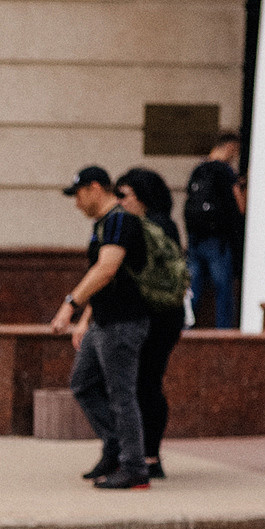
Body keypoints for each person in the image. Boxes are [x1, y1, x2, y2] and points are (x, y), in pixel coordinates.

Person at [52, 163, 150, 490]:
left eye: (78, 194)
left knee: (121, 395)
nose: (76, 202)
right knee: (82, 383)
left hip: (123, 323)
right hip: (103, 321)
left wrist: (69, 305)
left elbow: (107, 270)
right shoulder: (104, 224)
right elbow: (105, 280)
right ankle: (114, 448)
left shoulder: (121, 220)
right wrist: (85, 320)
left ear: (95, 188)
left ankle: (134, 467)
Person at [117, 165, 189, 481]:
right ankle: (148, 455)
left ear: (143, 197)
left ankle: (147, 456)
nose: (119, 201)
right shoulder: (165, 225)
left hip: (153, 316)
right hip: (166, 315)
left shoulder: (151, 228)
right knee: (148, 382)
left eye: (124, 195)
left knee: (145, 383)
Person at [182, 131, 246, 332]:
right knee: (223, 288)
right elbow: (240, 206)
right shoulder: (225, 171)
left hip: (194, 238)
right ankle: (223, 331)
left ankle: (186, 327)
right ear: (229, 147)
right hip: (217, 241)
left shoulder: (199, 169)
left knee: (193, 288)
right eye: (234, 151)